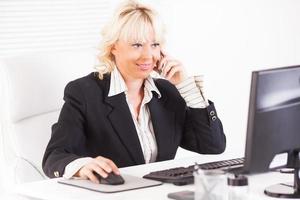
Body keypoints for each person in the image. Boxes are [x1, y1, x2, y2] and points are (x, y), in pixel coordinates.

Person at [42, 0, 226, 183]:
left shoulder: (167, 93)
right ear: (114, 46)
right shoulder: (84, 93)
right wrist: (82, 166)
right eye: (137, 45)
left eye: (154, 45)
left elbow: (212, 146)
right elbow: (54, 157)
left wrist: (186, 86)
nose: (148, 55)